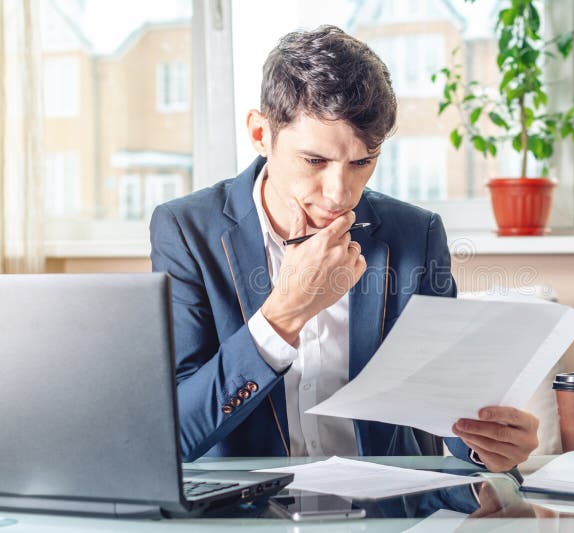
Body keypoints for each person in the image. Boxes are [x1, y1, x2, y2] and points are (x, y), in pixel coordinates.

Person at [150, 25, 539, 472]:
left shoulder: (416, 234)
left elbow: (446, 409)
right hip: (248, 509)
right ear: (261, 134)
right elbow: (173, 433)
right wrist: (283, 316)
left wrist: (487, 444)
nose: (339, 193)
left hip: (387, 508)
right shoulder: (185, 230)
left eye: (362, 162)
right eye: (315, 160)